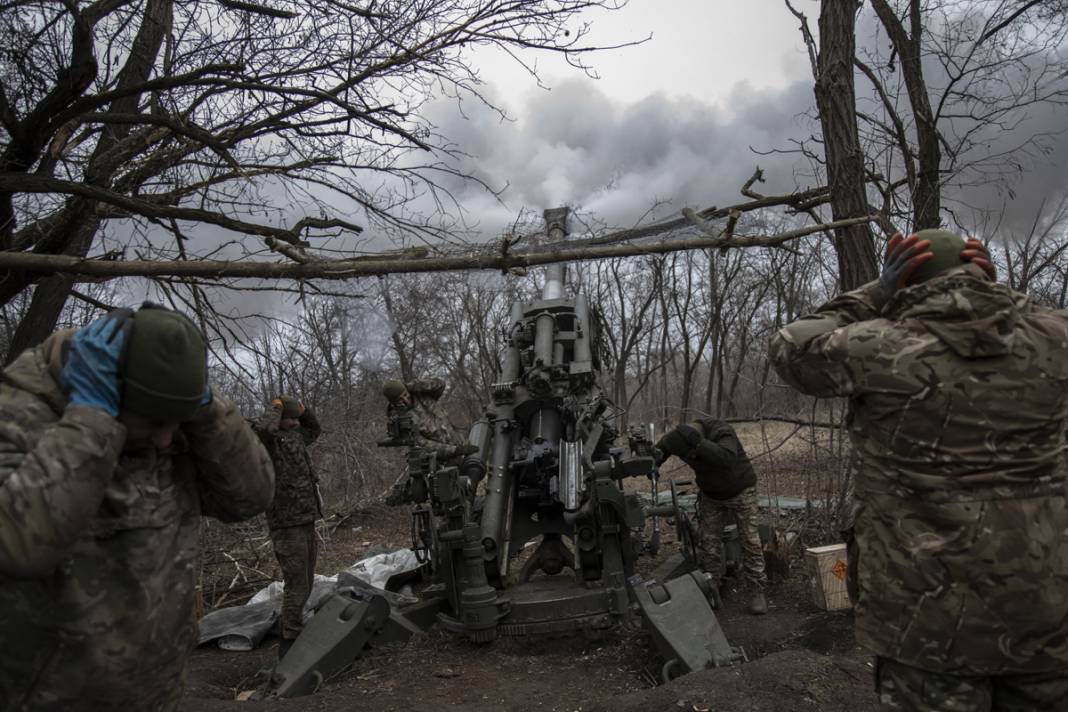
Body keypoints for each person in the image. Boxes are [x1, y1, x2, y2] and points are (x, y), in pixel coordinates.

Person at [768, 230, 1068, 711]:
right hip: (1045, 614)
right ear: (980, 272)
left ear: (905, 281)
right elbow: (1041, 320)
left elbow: (790, 347)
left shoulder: (875, 349)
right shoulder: (1053, 339)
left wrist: (878, 291)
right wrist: (991, 288)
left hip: (925, 621)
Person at [0, 303, 275, 712]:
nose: (165, 440)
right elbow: (17, 545)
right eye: (152, 422)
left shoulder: (175, 420)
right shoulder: (17, 416)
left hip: (158, 693)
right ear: (108, 389)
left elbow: (252, 496)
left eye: (174, 423)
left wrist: (205, 410)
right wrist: (90, 422)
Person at [656, 418, 768, 615]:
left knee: (750, 541)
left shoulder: (722, 431)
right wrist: (652, 463)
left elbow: (725, 458)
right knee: (708, 543)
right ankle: (711, 585)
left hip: (740, 489)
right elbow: (659, 451)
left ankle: (756, 591)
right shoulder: (676, 438)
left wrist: (699, 444)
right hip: (711, 495)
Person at [253, 394, 322, 659]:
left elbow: (314, 428)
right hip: (285, 523)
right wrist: (276, 409)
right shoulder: (269, 442)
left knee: (307, 580)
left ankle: (295, 631)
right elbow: (262, 428)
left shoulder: (296, 437)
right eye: (289, 419)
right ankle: (289, 641)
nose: (294, 423)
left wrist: (303, 409)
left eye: (296, 419)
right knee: (296, 584)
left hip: (306, 518)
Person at [381, 377, 476, 505]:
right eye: (400, 399)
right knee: (454, 501)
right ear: (393, 402)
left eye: (405, 394)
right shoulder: (399, 419)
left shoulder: (420, 393)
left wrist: (413, 386)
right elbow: (421, 444)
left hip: (462, 446)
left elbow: (440, 384)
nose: (405, 399)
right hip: (443, 463)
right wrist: (454, 451)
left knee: (473, 486)